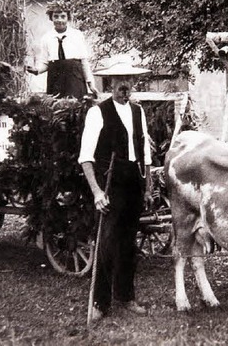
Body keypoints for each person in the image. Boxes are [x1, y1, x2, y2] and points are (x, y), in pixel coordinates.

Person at [78, 64, 153, 321]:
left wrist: (148, 186)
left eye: (128, 79)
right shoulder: (97, 113)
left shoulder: (138, 111)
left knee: (128, 244)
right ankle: (100, 302)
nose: (125, 85)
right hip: (110, 183)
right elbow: (85, 157)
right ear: (110, 83)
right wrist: (97, 192)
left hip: (133, 181)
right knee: (107, 243)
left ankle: (125, 296)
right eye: (119, 80)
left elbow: (145, 153)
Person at [26, 0, 99, 98]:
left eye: (63, 16)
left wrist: (91, 84)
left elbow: (84, 62)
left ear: (68, 18)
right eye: (56, 16)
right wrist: (36, 70)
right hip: (55, 79)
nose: (59, 20)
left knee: (76, 108)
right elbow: (45, 63)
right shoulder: (46, 38)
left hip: (75, 78)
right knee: (57, 108)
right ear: (51, 18)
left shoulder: (77, 35)